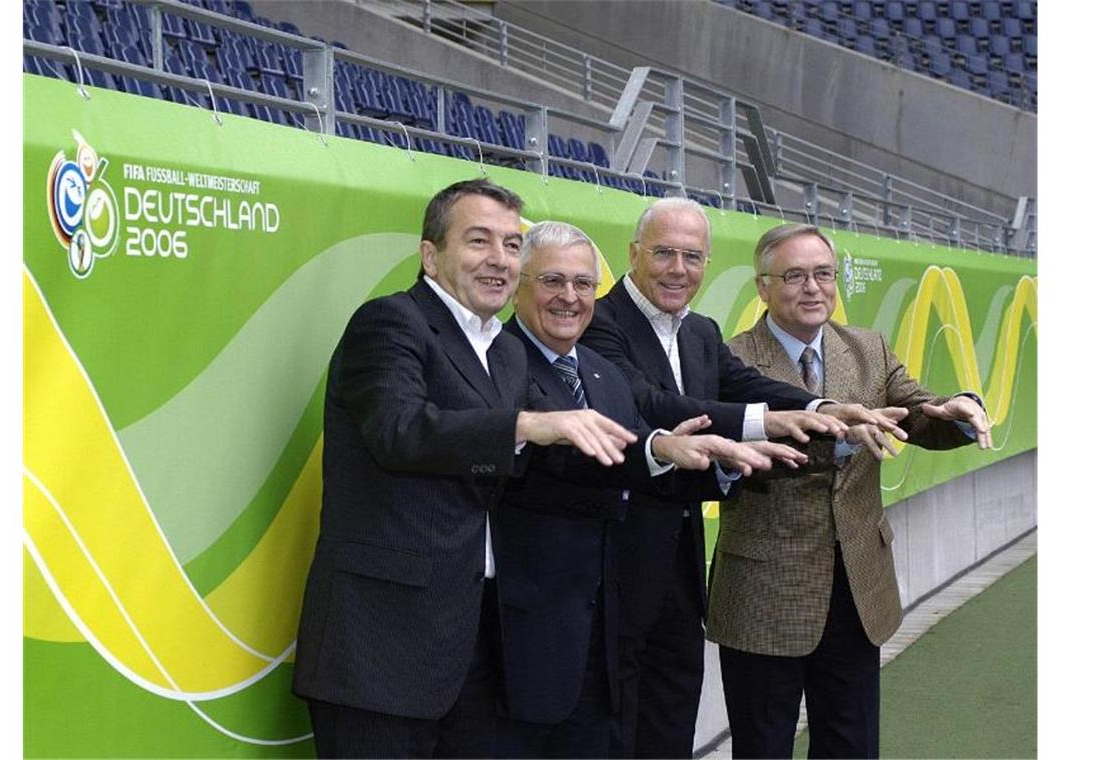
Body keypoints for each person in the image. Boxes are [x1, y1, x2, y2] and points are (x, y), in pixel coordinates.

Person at [292, 180, 638, 759]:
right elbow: (399, 431)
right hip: (382, 646)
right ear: (431, 254)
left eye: (509, 245)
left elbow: (564, 432)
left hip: (472, 645)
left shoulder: (502, 348)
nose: (499, 259)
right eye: (479, 241)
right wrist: (522, 427)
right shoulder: (389, 323)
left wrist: (659, 449)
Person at [580, 198, 900, 758]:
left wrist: (822, 407)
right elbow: (652, 402)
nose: (679, 269)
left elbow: (749, 385)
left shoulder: (699, 331)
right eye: (664, 253)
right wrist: (771, 422)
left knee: (670, 722)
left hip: (680, 571)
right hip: (612, 567)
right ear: (632, 255)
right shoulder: (598, 322)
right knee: (613, 730)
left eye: (693, 256)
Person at [495, 221, 806, 759]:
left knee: (658, 726)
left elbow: (642, 443)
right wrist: (677, 446)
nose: (569, 298)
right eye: (551, 281)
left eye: (581, 285)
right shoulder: (504, 360)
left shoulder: (605, 366)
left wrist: (736, 455)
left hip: (640, 588)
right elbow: (604, 445)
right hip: (544, 615)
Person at [708, 222, 992, 759]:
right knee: (762, 745)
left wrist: (956, 408)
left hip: (857, 587)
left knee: (851, 745)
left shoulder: (866, 348)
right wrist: (838, 439)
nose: (813, 288)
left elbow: (917, 412)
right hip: (767, 591)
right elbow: (740, 456)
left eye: (823, 274)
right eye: (794, 275)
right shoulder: (730, 359)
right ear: (762, 287)